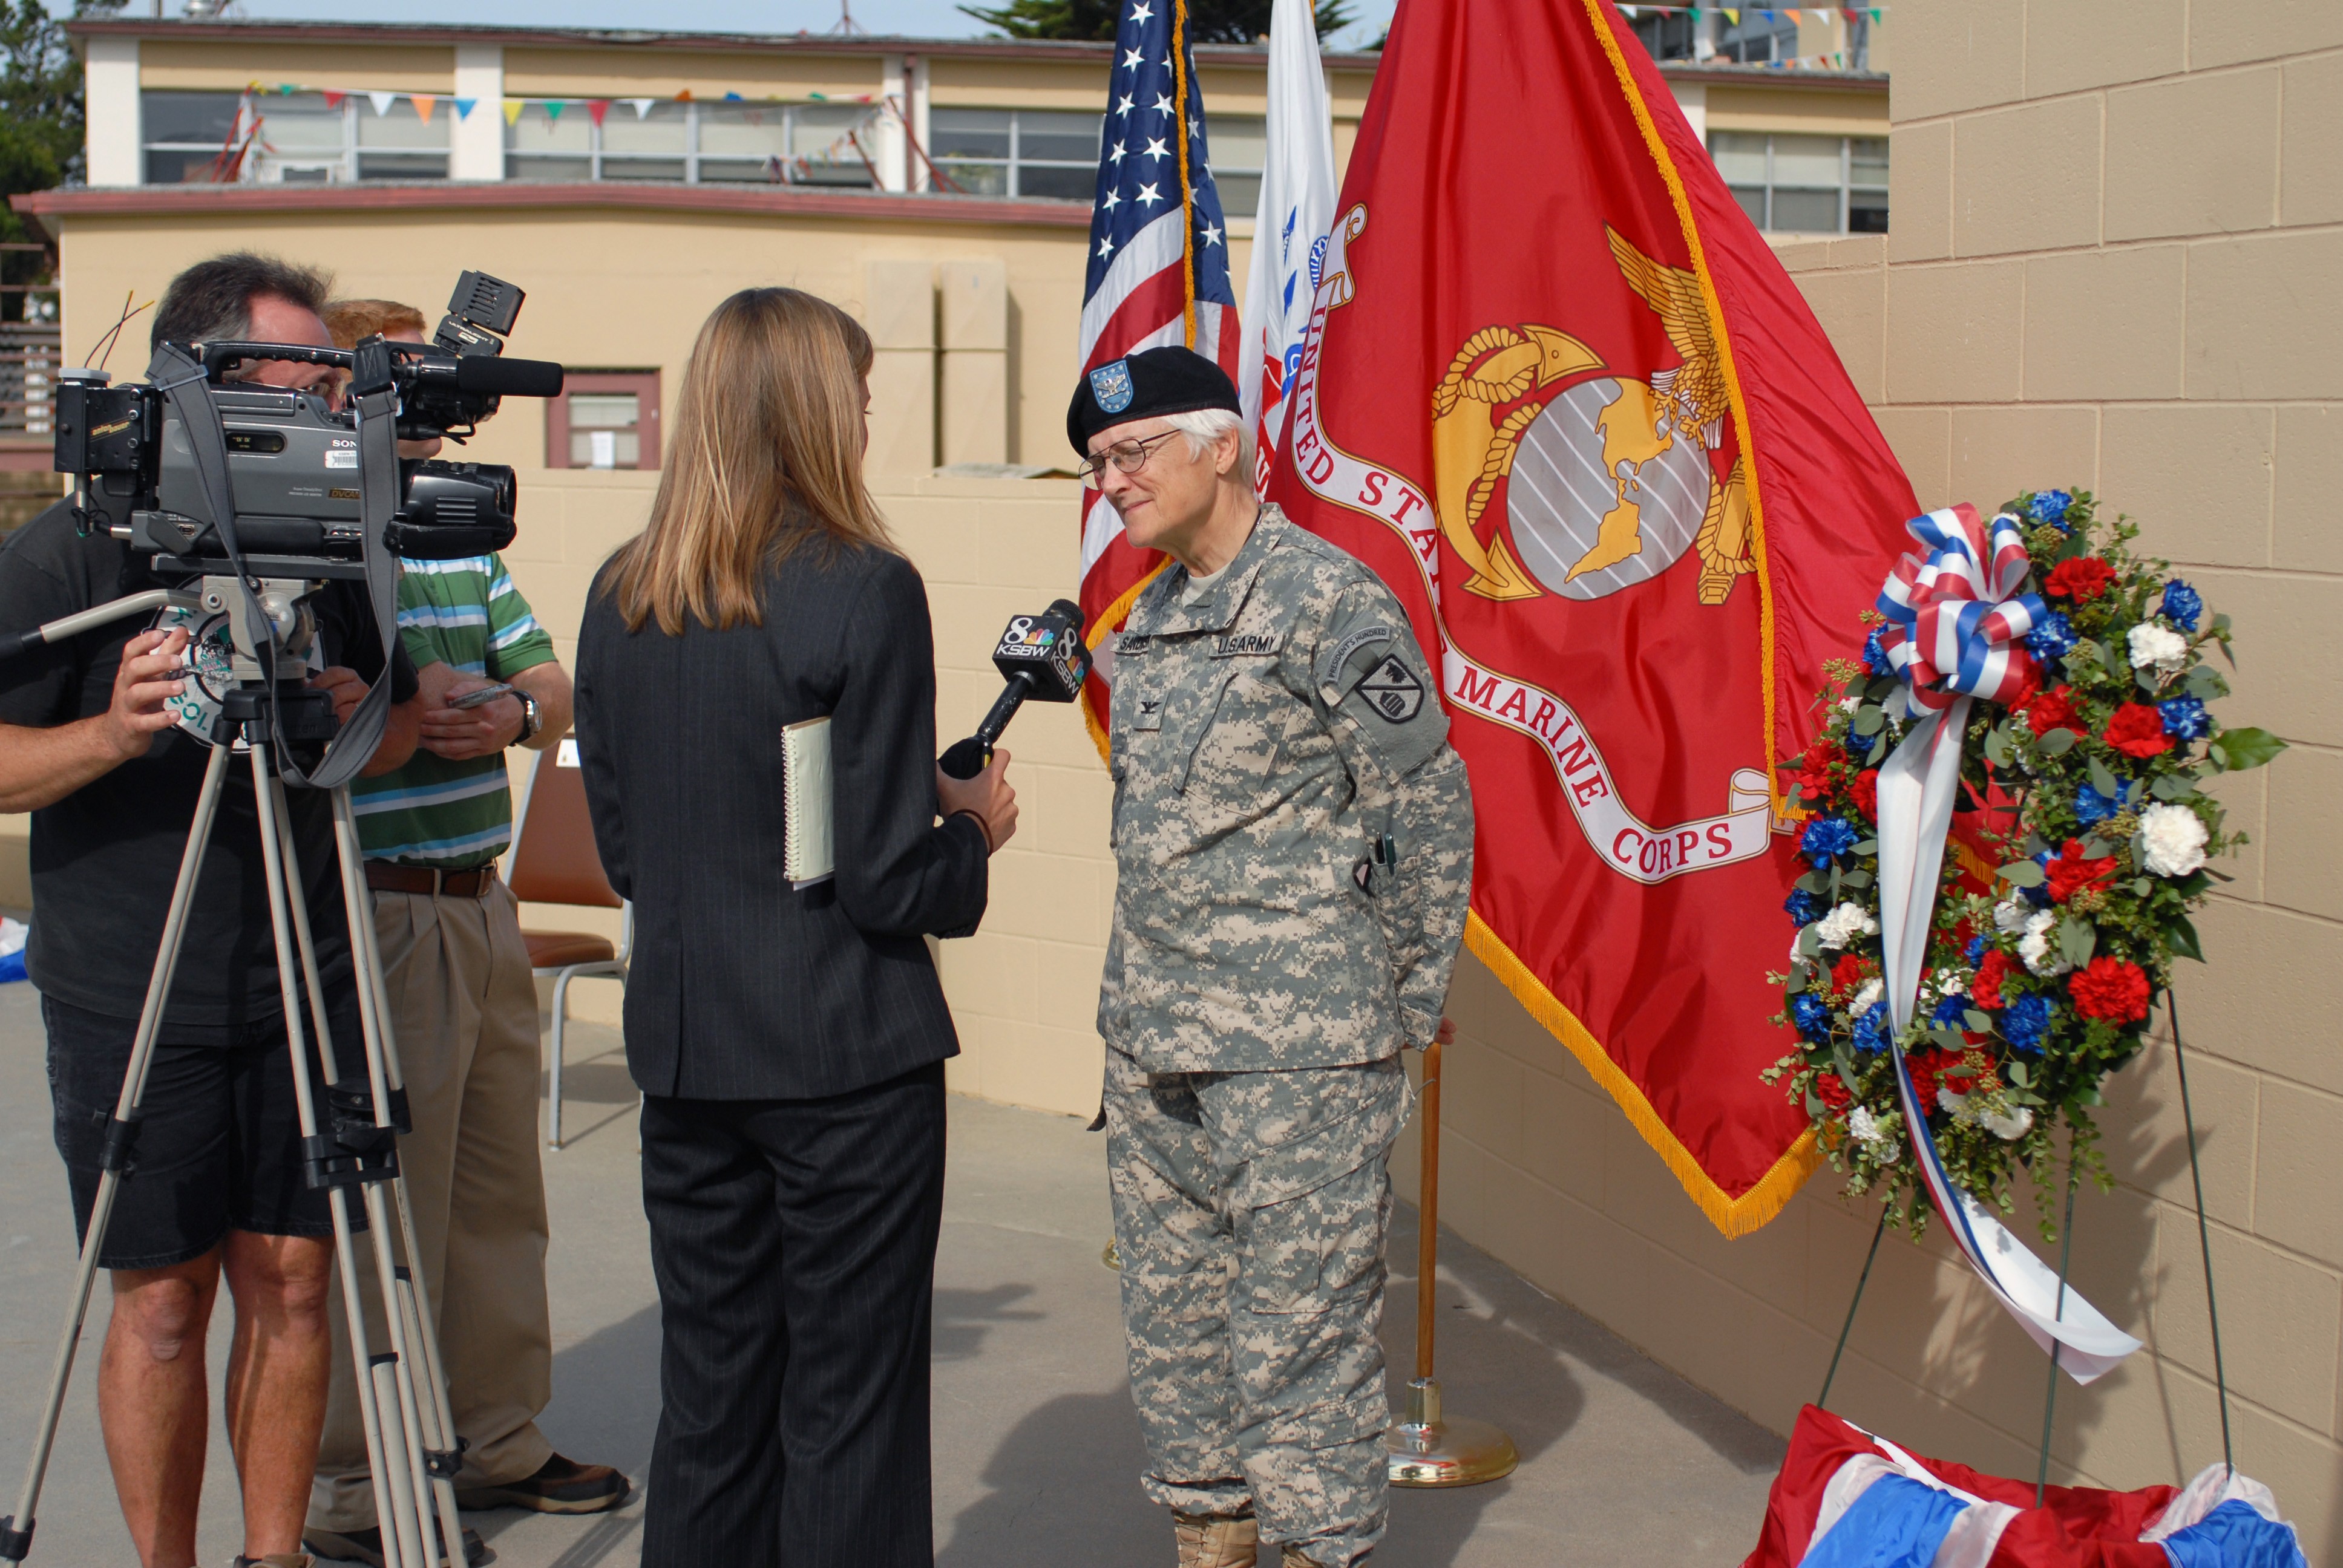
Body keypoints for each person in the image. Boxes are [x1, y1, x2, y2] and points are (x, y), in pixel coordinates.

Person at [572, 286, 1016, 1568]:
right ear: (818, 412)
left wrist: (875, 807)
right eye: (861, 401)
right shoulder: (863, 587)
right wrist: (968, 834)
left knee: (711, 1404)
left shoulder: (621, 593)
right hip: (842, 1065)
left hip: (687, 1051)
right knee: (849, 1412)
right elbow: (877, 883)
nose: (868, 423)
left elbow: (626, 847)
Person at [0, 252, 423, 1568]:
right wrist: (114, 736)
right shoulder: (72, 545)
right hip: (134, 980)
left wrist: (369, 724)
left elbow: (402, 726)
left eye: (326, 378)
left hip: (304, 970)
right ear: (199, 377)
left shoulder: (328, 531)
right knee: (165, 1302)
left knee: (296, 1283)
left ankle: (273, 1556)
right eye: (293, 375)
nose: (320, 400)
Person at [1073, 347, 1475, 1568]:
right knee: (1176, 1318)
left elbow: (1425, 805)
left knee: (1301, 1339)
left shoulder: (1330, 601)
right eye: (1098, 464)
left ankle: (1320, 1549)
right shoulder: (1153, 612)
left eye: (1133, 453)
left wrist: (1393, 1002)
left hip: (1299, 1051)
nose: (1113, 482)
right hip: (1153, 1037)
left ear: (1222, 445)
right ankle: (1211, 1535)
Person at [301, 299, 624, 1568]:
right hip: (373, 907)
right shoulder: (323, 546)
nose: (442, 419)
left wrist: (511, 716)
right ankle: (349, 1483)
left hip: (477, 900)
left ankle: (493, 1436)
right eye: (413, 393)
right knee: (386, 1208)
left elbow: (553, 682)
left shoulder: (462, 540)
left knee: (497, 1195)